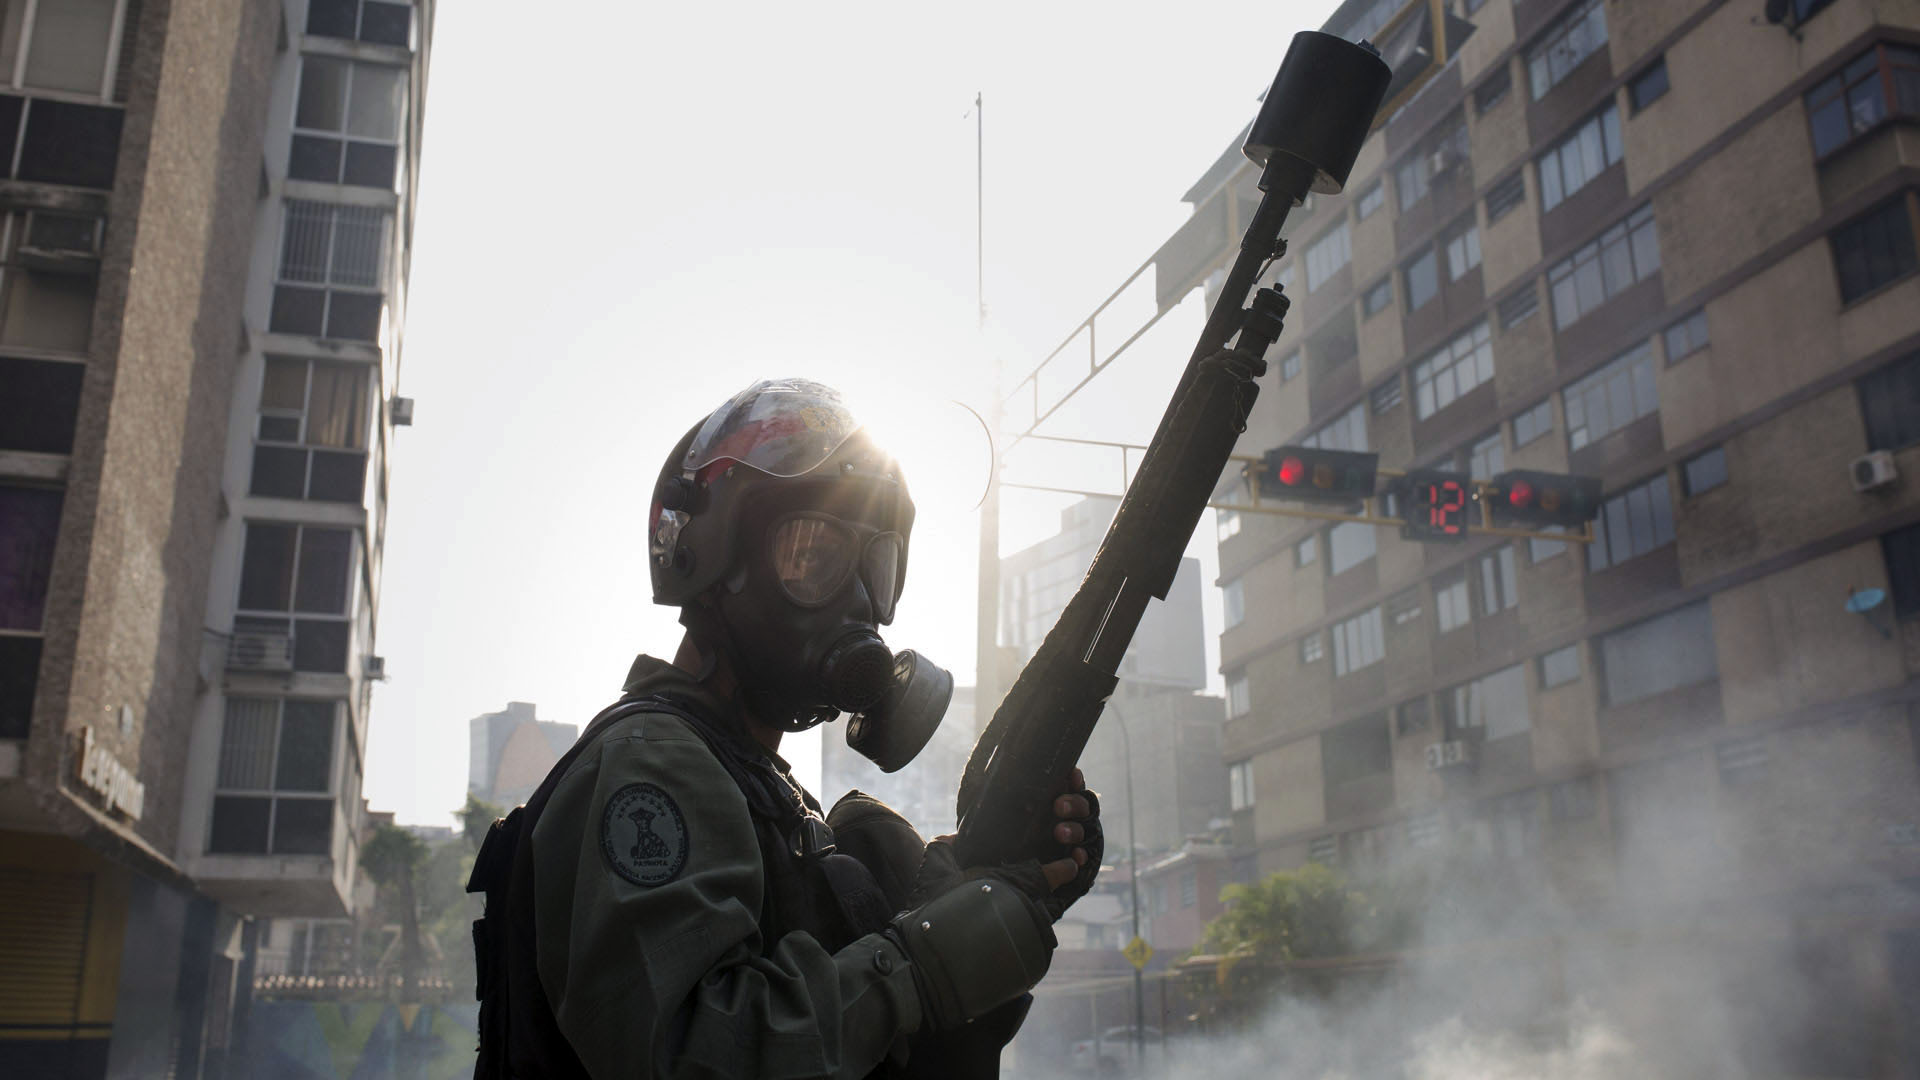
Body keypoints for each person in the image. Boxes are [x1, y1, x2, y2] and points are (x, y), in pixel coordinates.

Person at [469, 378, 1103, 1079]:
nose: (860, 600)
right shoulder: (652, 763)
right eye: (813, 554)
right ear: (711, 560)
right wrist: (918, 967)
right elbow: (686, 1054)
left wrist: (994, 882)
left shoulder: (759, 790)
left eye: (876, 565)